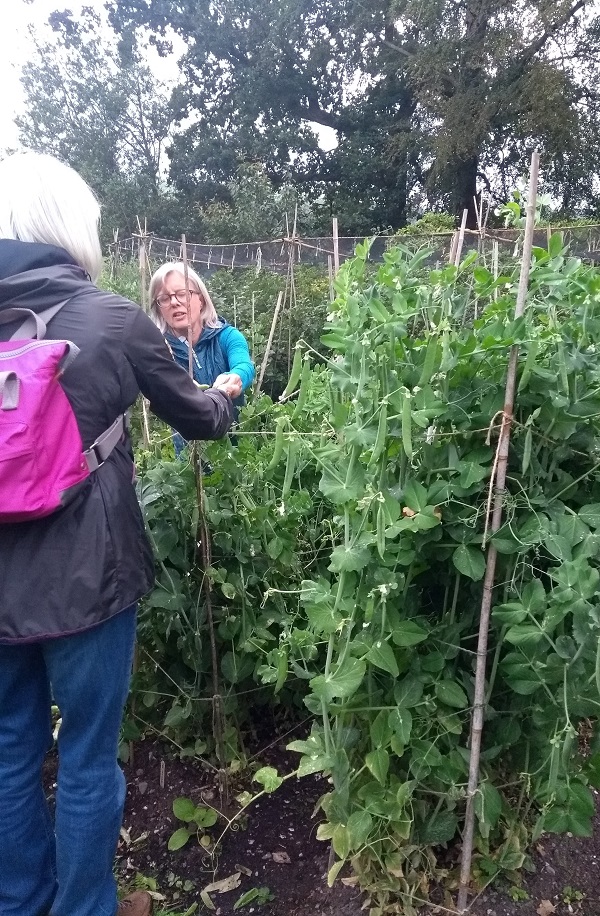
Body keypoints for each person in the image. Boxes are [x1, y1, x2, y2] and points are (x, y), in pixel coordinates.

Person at [0, 153, 235, 916]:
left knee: (8, 752)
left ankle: (21, 903)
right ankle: (84, 908)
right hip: (89, 581)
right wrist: (226, 400)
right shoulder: (108, 318)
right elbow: (196, 415)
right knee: (89, 759)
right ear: (72, 227)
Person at [149, 262, 255, 453]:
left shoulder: (227, 336)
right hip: (190, 454)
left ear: (201, 300)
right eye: (164, 298)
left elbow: (244, 365)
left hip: (237, 452)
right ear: (160, 309)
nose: (174, 302)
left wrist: (235, 378)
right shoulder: (160, 350)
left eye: (182, 294)